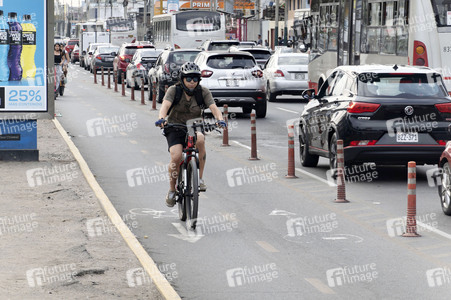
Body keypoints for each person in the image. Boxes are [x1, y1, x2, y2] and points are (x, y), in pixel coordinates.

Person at [155, 62, 227, 207]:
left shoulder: (203, 92)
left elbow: (214, 108)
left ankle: (199, 179)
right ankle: (171, 190)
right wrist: (162, 118)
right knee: (176, 156)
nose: (192, 82)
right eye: (189, 79)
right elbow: (165, 106)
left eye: (195, 79)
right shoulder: (174, 91)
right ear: (182, 79)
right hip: (175, 126)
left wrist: (220, 120)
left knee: (200, 139)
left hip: (195, 125)